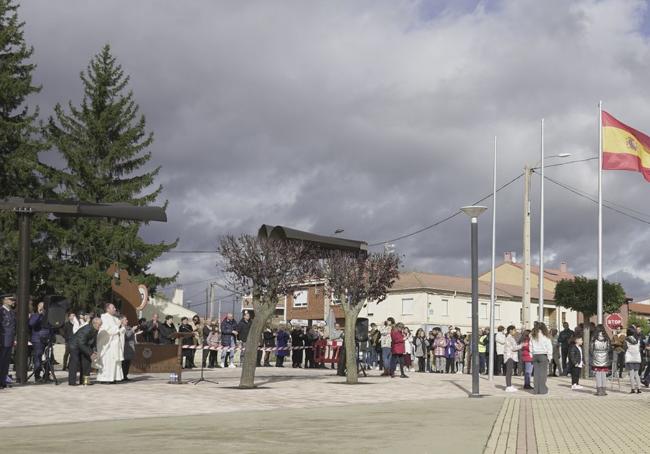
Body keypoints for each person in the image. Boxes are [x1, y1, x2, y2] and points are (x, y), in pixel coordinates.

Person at [96, 303, 126, 383]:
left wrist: (122, 329)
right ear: (107, 309)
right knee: (108, 362)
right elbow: (107, 330)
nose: (115, 309)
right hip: (108, 344)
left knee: (115, 362)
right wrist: (118, 326)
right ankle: (105, 378)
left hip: (115, 344)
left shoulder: (116, 319)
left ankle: (113, 378)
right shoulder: (104, 317)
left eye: (115, 307)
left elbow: (118, 331)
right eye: (113, 307)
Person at [68, 317, 102, 386]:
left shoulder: (95, 329)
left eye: (101, 324)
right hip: (74, 346)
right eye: (99, 324)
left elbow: (93, 342)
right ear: (94, 323)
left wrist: (94, 351)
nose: (100, 326)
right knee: (75, 362)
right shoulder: (87, 329)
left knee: (87, 362)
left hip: (83, 346)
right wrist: (90, 353)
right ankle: (72, 382)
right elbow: (81, 343)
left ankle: (84, 381)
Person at [28, 301, 53, 382]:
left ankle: (46, 375)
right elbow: (31, 324)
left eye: (44, 307)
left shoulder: (48, 316)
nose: (43, 309)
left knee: (49, 358)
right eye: (41, 307)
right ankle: (37, 376)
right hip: (38, 340)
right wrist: (39, 314)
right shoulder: (35, 316)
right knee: (38, 357)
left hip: (47, 340)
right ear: (38, 307)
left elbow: (52, 328)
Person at [530, 322, 552, 395]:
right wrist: (549, 357)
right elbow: (549, 347)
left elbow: (530, 347)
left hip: (535, 355)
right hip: (543, 355)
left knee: (536, 373)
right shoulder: (545, 336)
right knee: (543, 374)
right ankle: (542, 390)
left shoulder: (533, 336)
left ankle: (536, 390)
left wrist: (531, 355)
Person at [0, 294, 16, 389]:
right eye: (11, 300)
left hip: (9, 340)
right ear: (5, 300)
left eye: (13, 300)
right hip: (3, 340)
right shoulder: (1, 312)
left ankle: (3, 381)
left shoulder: (12, 312)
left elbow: (13, 327)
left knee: (6, 363)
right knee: (1, 361)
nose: (13, 301)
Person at [591, 324, 611, 396]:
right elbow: (609, 348)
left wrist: (593, 354)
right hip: (605, 357)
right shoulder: (606, 338)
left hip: (596, 356)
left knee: (598, 374)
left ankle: (599, 390)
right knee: (604, 374)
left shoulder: (594, 338)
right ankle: (604, 390)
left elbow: (591, 348)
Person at [503, 325, 521, 392]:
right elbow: (513, 348)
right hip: (509, 357)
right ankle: (508, 386)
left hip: (510, 357)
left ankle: (509, 385)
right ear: (510, 330)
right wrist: (522, 345)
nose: (515, 332)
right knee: (509, 372)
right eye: (514, 330)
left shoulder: (511, 337)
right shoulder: (509, 338)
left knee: (510, 372)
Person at [624, 327, 642, 394]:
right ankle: (639, 389)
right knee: (636, 374)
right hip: (637, 358)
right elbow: (639, 348)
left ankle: (633, 389)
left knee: (631, 374)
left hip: (629, 358)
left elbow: (625, 348)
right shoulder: (638, 339)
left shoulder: (626, 339)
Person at [121, 316, 138, 381]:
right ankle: (122, 376)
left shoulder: (128, 327)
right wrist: (132, 330)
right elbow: (126, 336)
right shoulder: (121, 328)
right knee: (124, 363)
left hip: (130, 348)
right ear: (121, 321)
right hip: (125, 348)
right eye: (125, 320)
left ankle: (125, 375)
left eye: (127, 319)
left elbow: (131, 335)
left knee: (128, 362)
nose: (127, 321)